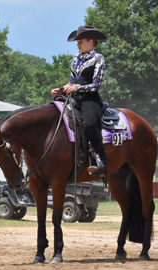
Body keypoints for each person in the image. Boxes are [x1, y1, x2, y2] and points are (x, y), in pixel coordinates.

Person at [51, 25, 107, 177]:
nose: (78, 45)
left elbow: (96, 85)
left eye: (80, 41)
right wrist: (61, 90)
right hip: (74, 98)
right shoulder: (75, 58)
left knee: (89, 124)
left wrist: (76, 88)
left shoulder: (98, 59)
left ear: (90, 41)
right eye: (77, 42)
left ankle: (101, 160)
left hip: (90, 99)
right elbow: (71, 81)